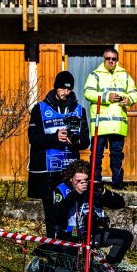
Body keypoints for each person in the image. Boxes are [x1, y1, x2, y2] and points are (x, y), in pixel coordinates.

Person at [27, 71, 91, 237]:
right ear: (56, 87)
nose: (66, 92)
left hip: (70, 171)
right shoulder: (40, 108)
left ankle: (69, 244)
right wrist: (54, 137)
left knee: (70, 211)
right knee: (51, 213)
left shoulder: (79, 110)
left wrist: (75, 141)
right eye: (62, 88)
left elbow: (86, 140)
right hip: (48, 172)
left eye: (69, 89)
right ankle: (52, 244)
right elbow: (34, 138)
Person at [52, 159, 132, 266]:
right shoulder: (62, 189)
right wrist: (75, 194)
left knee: (125, 237)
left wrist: (103, 192)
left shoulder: (92, 188)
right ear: (70, 179)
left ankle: (107, 269)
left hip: (93, 233)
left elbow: (120, 203)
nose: (82, 183)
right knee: (75, 271)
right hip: (71, 234)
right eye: (78, 181)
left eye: (85, 180)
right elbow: (57, 215)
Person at [83, 49, 137, 190]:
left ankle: (117, 184)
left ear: (117, 60)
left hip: (118, 125)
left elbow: (134, 93)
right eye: (108, 58)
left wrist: (129, 99)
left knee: (117, 156)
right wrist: (107, 97)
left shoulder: (125, 75)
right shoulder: (95, 75)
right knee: (96, 156)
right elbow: (88, 93)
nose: (110, 61)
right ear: (104, 59)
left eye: (113, 59)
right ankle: (95, 183)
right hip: (100, 124)